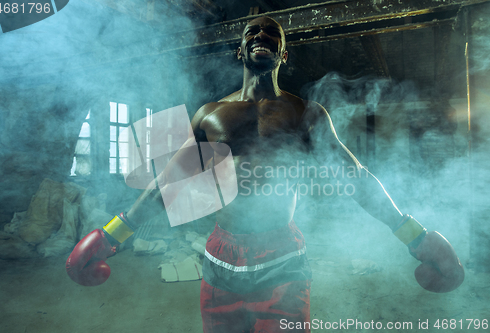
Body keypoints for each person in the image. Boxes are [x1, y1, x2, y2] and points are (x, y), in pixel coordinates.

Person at [66, 16, 465, 333]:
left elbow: (355, 177)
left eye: (272, 34)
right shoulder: (209, 114)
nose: (261, 35)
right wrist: (110, 235)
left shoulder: (306, 113)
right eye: (252, 31)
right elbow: (165, 183)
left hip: (283, 260)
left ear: (284, 54)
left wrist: (415, 236)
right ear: (240, 50)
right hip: (221, 259)